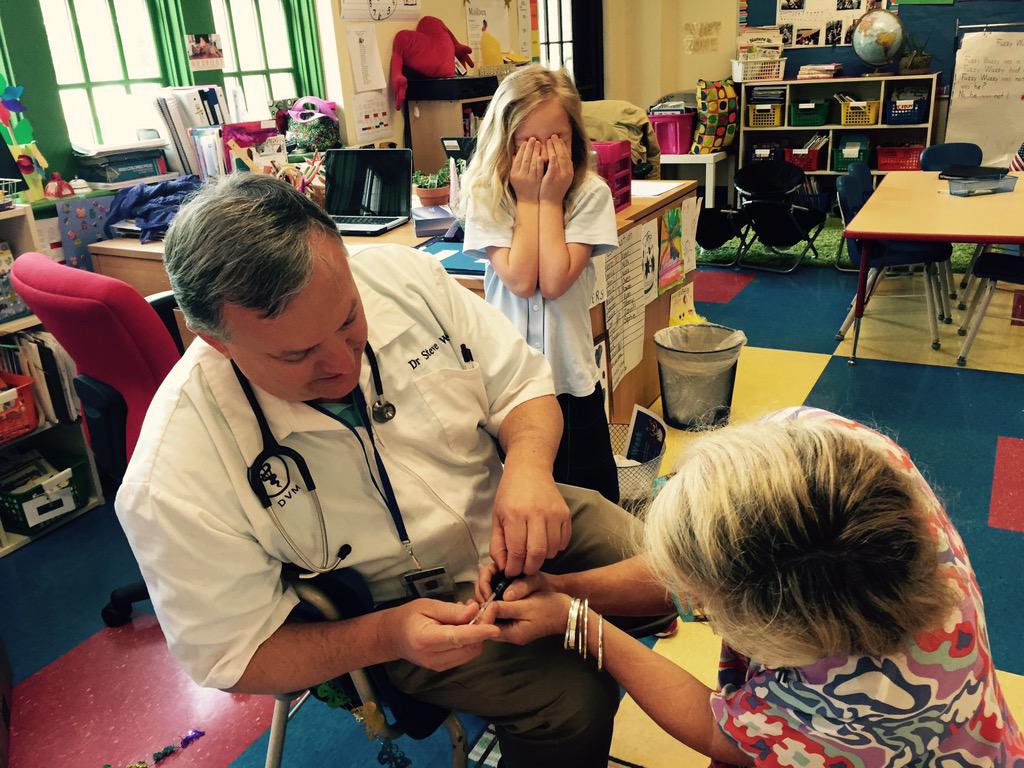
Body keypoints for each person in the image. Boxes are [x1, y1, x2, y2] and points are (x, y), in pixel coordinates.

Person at [115, 173, 644, 768]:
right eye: (296, 354)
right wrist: (386, 636)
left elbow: (521, 385)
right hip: (396, 611)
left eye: (347, 319)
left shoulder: (401, 278)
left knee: (683, 565)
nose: (342, 363)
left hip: (508, 511)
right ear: (213, 341)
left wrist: (528, 470)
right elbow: (232, 655)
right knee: (573, 700)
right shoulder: (172, 477)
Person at [482, 407, 1024, 765]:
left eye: (703, 600)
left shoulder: (848, 713)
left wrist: (577, 621)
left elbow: (726, 735)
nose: (689, 597)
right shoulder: (830, 450)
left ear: (776, 633)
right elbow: (715, 562)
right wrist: (562, 587)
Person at [461, 65, 620, 503]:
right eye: (529, 143)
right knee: (517, 494)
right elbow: (517, 278)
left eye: (557, 140)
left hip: (570, 381)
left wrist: (546, 198)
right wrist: (529, 198)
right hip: (508, 384)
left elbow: (551, 282)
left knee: (587, 500)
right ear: (504, 141)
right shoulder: (486, 192)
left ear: (576, 139)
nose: (545, 155)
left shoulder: (590, 193)